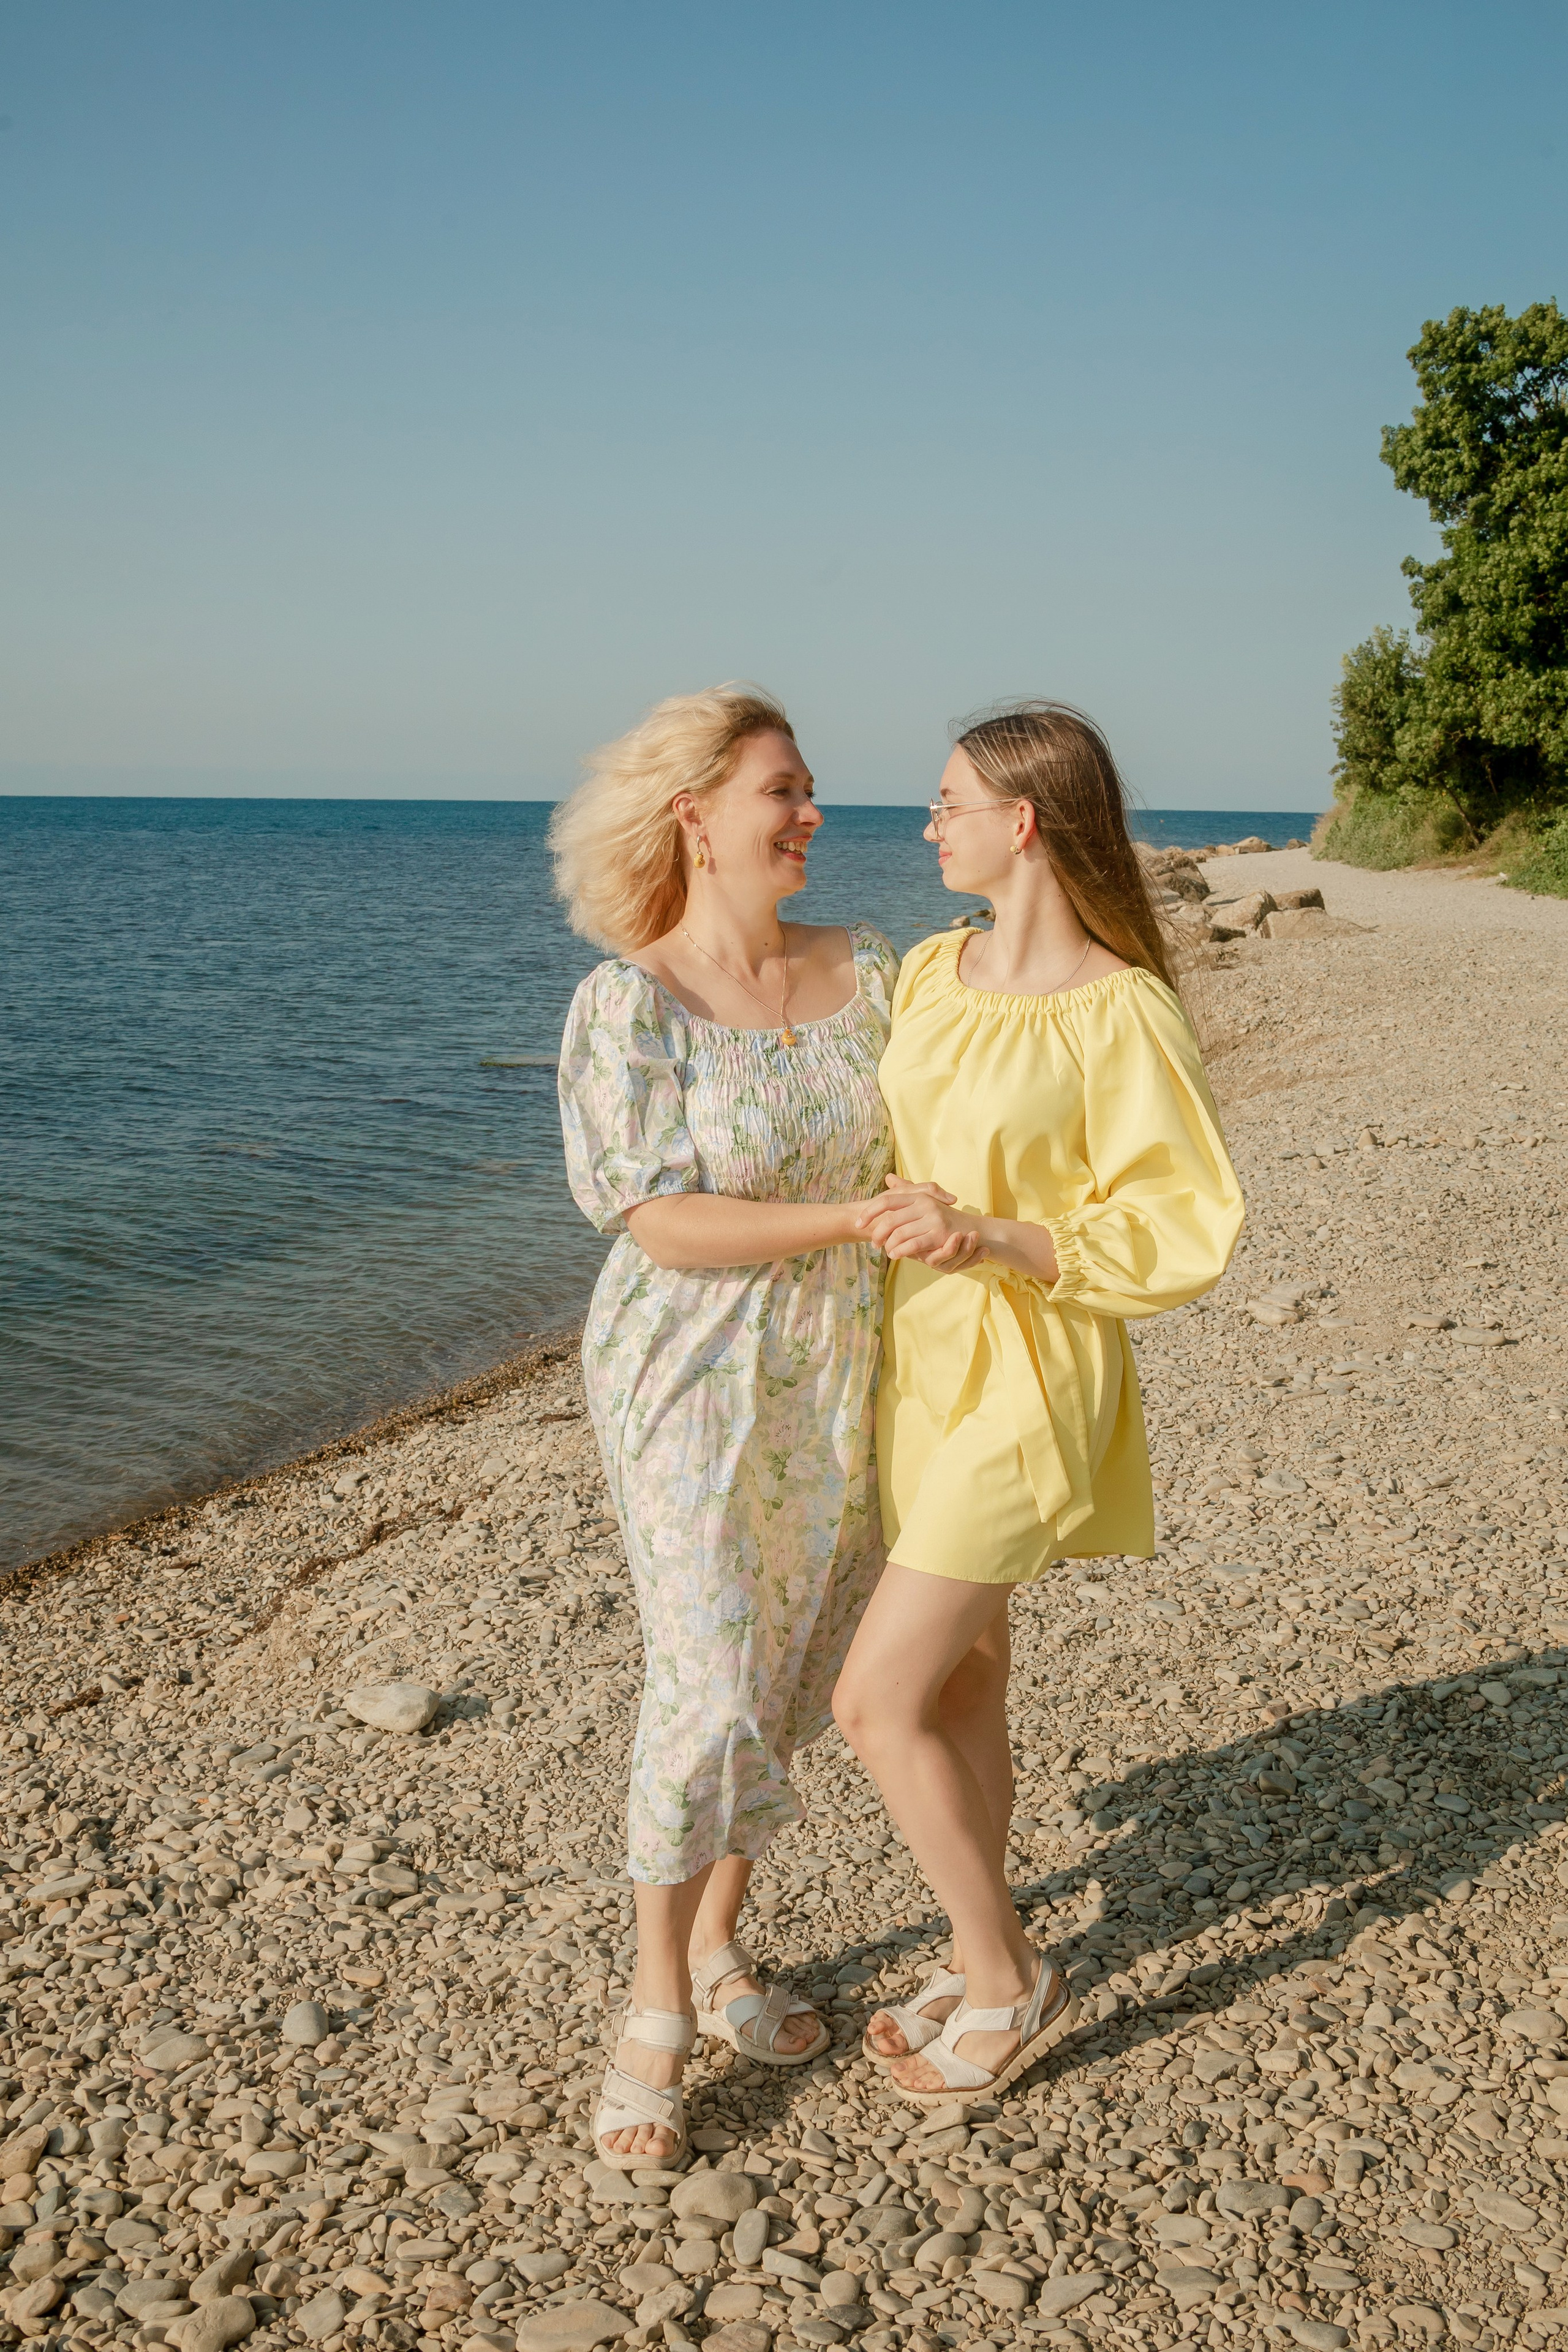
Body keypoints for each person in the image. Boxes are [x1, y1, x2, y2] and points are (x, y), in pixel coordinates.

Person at [832, 700, 1245, 2105]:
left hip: (1029, 1372)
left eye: (945, 802)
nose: (926, 826)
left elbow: (1184, 1221)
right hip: (914, 1362)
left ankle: (1009, 1976)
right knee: (962, 1680)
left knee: (873, 1700)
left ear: (1019, 822)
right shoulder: (928, 972)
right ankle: (977, 1948)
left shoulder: (1120, 1007)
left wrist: (994, 1233)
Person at [554, 683, 900, 2165]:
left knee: (784, 1669)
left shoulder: (869, 969)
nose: (811, 812)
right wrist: (851, 1218)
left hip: (842, 1360)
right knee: (704, 1675)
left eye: (809, 788)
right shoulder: (629, 1002)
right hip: (686, 1366)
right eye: (781, 790)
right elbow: (655, 1217)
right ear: (692, 816)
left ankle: (716, 1948)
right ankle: (654, 2008)